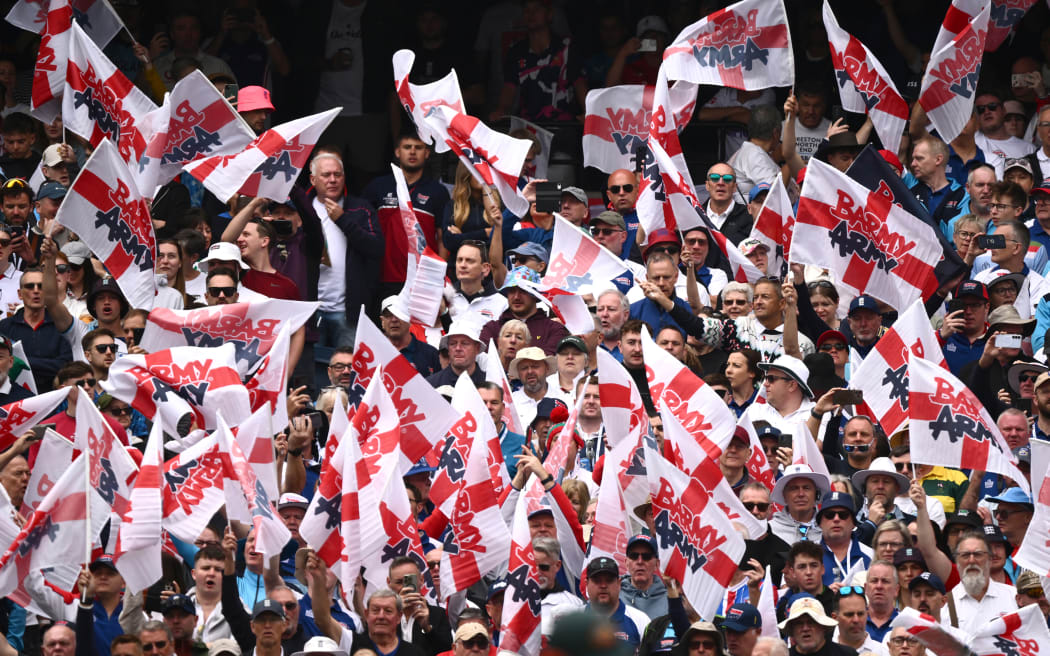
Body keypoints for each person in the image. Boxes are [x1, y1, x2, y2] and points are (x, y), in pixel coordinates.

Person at [948, 530, 1019, 632]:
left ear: (990, 559)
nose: (971, 560)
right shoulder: (946, 605)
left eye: (978, 554)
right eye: (965, 555)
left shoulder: (1013, 597)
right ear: (956, 561)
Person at [385, 557, 452, 656]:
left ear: (421, 579)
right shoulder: (383, 615)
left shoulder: (438, 615)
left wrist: (427, 628)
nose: (405, 587)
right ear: (389, 582)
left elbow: (446, 651)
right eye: (399, 582)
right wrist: (395, 613)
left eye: (410, 581)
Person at [584, 556, 649, 650]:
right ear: (587, 584)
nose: (603, 586)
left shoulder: (640, 620)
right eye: (597, 580)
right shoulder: (573, 623)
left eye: (609, 580)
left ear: (619, 583)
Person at [532, 537, 584, 637]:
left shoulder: (574, 604)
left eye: (544, 567)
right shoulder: (514, 601)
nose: (537, 572)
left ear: (557, 565)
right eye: (533, 566)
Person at [728, 105, 783, 198]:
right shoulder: (755, 155)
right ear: (776, 133)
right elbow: (775, 194)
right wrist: (789, 163)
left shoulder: (752, 151)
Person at [818, 492, 871, 586]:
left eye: (843, 515)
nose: (836, 519)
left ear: (853, 523)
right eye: (829, 515)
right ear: (820, 522)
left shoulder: (871, 556)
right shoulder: (806, 554)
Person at [379, 296, 440, 378]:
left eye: (399, 314)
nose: (394, 319)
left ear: (410, 319)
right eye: (388, 315)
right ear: (382, 321)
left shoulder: (431, 354)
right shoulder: (373, 353)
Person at [351, 590, 425, 656]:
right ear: (367, 615)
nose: (381, 616)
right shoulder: (352, 646)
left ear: (399, 617)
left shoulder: (414, 653)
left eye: (388, 611)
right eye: (375, 610)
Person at [771, 465, 830, 545]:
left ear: (816, 494)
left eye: (806, 488)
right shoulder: (770, 530)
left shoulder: (830, 528)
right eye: (794, 488)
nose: (801, 494)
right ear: (784, 496)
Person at [776, 542, 835, 622]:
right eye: (802, 567)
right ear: (793, 572)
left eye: (814, 565)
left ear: (822, 569)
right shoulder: (784, 607)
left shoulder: (837, 603)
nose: (808, 572)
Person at [778, 596, 854, 656]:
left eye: (812, 622)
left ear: (823, 626)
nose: (805, 628)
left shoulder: (846, 654)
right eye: (799, 623)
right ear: (792, 629)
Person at [704, 163, 753, 245]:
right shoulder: (696, 214)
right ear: (707, 185)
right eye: (715, 178)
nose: (720, 183)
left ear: (734, 187)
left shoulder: (749, 217)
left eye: (727, 179)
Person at [620, 534, 667, 619]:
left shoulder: (671, 601)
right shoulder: (615, 597)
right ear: (626, 563)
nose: (640, 561)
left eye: (646, 556)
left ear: (657, 564)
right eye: (634, 556)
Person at [426, 321, 485, 388]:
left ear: (477, 348)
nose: (458, 348)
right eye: (452, 343)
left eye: (464, 343)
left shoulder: (490, 383)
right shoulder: (431, 385)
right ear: (448, 349)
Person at [832, 588, 887, 656]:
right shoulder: (825, 651)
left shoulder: (883, 652)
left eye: (860, 614)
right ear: (835, 618)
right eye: (849, 615)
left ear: (867, 614)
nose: (856, 620)